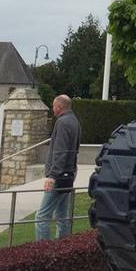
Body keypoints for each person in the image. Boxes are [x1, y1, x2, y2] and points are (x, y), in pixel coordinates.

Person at [35, 94, 81, 241]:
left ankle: (42, 253)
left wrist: (52, 176)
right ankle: (64, 248)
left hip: (59, 176)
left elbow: (61, 151)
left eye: (53, 106)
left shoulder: (62, 123)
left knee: (41, 217)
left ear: (59, 107)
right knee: (62, 216)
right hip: (69, 174)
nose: (52, 109)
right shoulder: (74, 121)